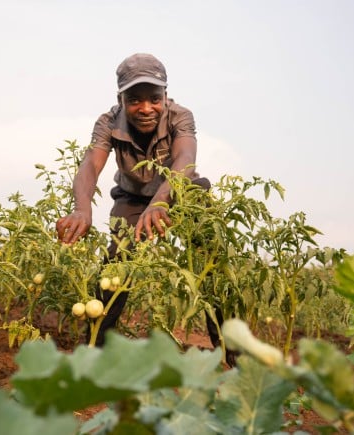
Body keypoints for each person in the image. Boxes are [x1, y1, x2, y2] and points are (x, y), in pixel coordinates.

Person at [56, 53, 233, 363]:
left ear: (165, 96)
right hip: (134, 197)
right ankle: (93, 357)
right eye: (135, 100)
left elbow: (185, 160)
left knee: (210, 268)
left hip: (182, 192)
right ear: (121, 99)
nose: (146, 108)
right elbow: (90, 164)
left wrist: (160, 203)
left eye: (154, 98)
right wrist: (82, 209)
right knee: (116, 267)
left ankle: (235, 358)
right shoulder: (108, 122)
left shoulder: (180, 116)